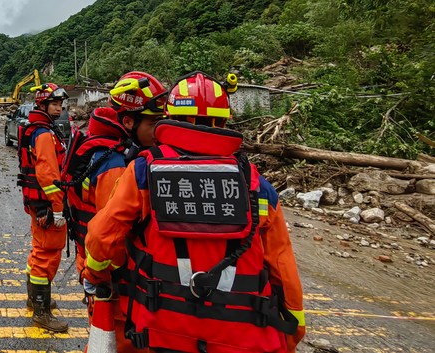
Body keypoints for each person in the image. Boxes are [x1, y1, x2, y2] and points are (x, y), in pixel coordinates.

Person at [83, 71, 305, 353]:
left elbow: (101, 238)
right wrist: (291, 332)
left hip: (158, 332)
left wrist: (96, 276)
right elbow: (283, 270)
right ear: (224, 121)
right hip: (241, 339)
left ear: (170, 118)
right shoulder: (256, 185)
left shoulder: (143, 171)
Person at [64, 72, 168, 352]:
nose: (160, 131)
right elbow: (109, 237)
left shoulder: (104, 147)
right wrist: (100, 276)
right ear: (129, 122)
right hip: (113, 280)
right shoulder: (116, 164)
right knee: (116, 343)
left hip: (97, 268)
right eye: (153, 123)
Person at [17, 82, 70, 332]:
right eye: (55, 104)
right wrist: (58, 208)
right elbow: (49, 175)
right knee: (47, 254)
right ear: (43, 105)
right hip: (47, 206)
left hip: (37, 204)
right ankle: (41, 312)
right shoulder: (44, 134)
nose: (59, 108)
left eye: (60, 104)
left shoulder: (35, 129)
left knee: (39, 250)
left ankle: (35, 298)